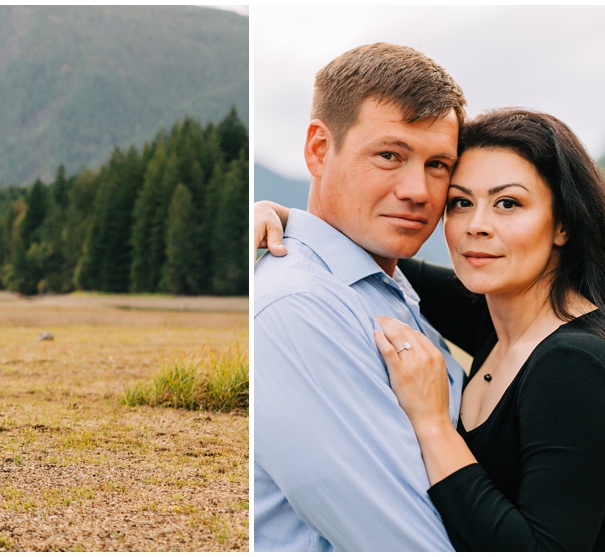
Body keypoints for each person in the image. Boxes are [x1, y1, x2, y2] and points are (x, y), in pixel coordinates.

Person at [255, 110, 605, 551]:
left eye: (508, 203)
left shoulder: (575, 364)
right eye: (461, 203)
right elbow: (369, 254)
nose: (476, 225)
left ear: (562, 223)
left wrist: (432, 424)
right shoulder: (497, 315)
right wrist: (282, 217)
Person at [252, 43, 466, 551]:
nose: (418, 190)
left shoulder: (387, 290)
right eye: (389, 155)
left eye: (438, 164)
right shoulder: (299, 307)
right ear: (319, 150)